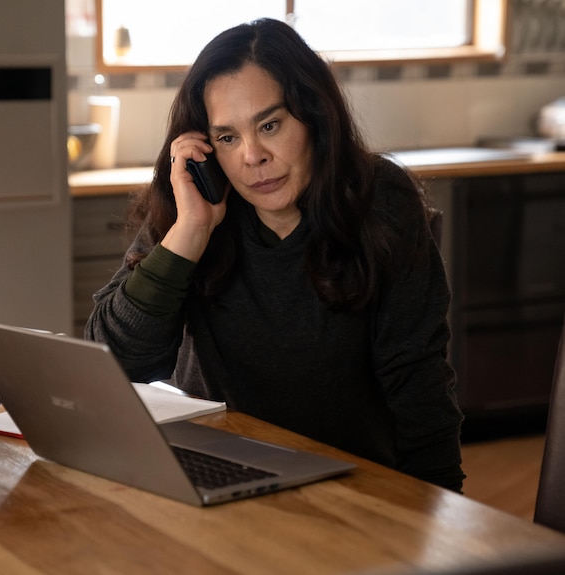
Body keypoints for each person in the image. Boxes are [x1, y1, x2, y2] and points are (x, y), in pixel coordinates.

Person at [84, 18, 465, 492]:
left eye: (270, 125)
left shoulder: (382, 201)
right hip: (215, 472)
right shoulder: (196, 207)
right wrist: (191, 232)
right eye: (227, 138)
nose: (252, 156)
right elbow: (114, 364)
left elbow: (418, 377)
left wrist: (442, 510)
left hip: (349, 487)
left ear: (314, 117)